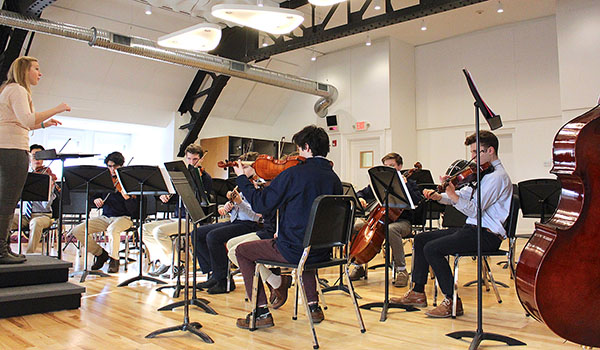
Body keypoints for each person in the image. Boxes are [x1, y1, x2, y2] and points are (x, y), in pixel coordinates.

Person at [391, 130, 512, 318]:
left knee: (433, 249)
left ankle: (452, 300)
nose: (471, 158)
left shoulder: (497, 177)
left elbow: (474, 210)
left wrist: (453, 194)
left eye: (475, 152)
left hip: (487, 235)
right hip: (471, 229)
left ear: (490, 150)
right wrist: (440, 196)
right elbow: (462, 197)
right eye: (471, 152)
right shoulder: (482, 174)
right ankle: (417, 292)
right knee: (422, 239)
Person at [233, 125, 342, 330]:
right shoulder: (334, 178)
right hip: (322, 251)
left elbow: (260, 204)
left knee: (242, 251)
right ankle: (313, 307)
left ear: (307, 147)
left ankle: (261, 312)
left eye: (300, 148)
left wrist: (242, 178)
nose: (298, 154)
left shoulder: (294, 174)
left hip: (294, 249)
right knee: (307, 243)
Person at [0, 56, 69, 264]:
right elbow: (28, 120)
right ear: (24, 71)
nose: (40, 73)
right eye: (36, 69)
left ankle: (3, 248)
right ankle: (1, 251)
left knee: (7, 203)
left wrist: (45, 124)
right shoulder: (18, 90)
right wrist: (58, 108)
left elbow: (23, 123)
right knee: (7, 203)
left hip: (9, 147)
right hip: (12, 150)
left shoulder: (9, 90)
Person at [349, 152, 423, 287]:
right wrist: (360, 198)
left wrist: (405, 186)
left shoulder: (410, 183)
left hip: (403, 223)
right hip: (379, 221)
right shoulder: (381, 184)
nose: (389, 169)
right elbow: (362, 192)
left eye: (392, 165)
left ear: (399, 166)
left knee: (391, 229)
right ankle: (358, 265)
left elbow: (417, 201)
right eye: (386, 166)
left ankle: (401, 270)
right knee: (355, 226)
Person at [143, 144, 213, 277]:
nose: (191, 162)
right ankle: (166, 261)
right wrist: (165, 195)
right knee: (144, 229)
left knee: (159, 232)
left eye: (195, 159)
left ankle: (176, 265)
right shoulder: (179, 176)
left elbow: (203, 201)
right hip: (177, 217)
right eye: (189, 159)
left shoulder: (205, 178)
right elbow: (175, 198)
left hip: (192, 219)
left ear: (201, 159)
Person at [71, 151, 137, 273]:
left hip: (124, 218)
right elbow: (92, 198)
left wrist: (127, 198)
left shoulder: (129, 182)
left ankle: (114, 259)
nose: (112, 170)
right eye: (109, 166)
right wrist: (96, 199)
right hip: (106, 217)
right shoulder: (104, 181)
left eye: (115, 167)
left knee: (113, 230)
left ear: (121, 166)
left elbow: (134, 210)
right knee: (77, 230)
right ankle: (100, 254)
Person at [192, 184, 261, 294]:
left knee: (213, 237)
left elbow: (256, 217)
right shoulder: (240, 187)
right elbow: (238, 210)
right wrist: (228, 208)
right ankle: (215, 274)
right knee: (197, 233)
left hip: (250, 225)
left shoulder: (258, 189)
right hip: (235, 221)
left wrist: (240, 203)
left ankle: (222, 280)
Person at [11, 144, 58, 254]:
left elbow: (45, 206)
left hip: (43, 215)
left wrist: (49, 190)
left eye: (40, 156)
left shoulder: (47, 176)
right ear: (29, 157)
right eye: (34, 156)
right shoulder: (23, 175)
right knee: (5, 220)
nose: (37, 159)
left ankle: (29, 255)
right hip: (24, 216)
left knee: (36, 222)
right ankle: (5, 251)